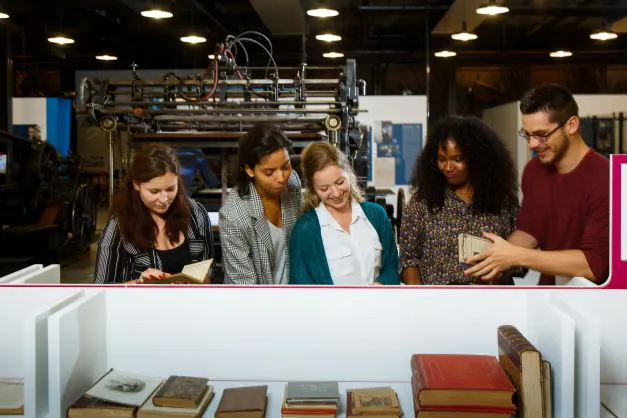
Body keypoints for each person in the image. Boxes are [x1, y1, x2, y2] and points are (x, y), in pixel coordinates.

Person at [464, 83, 610, 285]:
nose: (532, 144)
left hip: (590, 304)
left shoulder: (606, 178)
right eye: (527, 134)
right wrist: (496, 256)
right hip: (548, 293)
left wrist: (516, 256)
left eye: (542, 135)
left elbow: (594, 266)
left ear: (572, 125)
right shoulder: (534, 170)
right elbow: (530, 230)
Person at [399, 115, 519, 285]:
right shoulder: (422, 202)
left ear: (476, 159)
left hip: (491, 301)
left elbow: (520, 254)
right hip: (438, 303)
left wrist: (500, 269)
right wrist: (420, 301)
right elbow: (409, 260)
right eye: (442, 159)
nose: (448, 167)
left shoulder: (503, 201)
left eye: (457, 159)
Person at [94, 143, 214, 284]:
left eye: (170, 189)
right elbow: (102, 288)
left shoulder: (197, 214)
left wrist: (193, 282)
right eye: (154, 191)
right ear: (136, 185)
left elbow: (210, 273)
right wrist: (140, 283)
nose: (164, 199)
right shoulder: (119, 226)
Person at [290, 142, 400, 285]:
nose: (336, 193)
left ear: (348, 172)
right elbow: (299, 286)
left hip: (377, 306)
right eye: (324, 189)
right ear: (313, 189)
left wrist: (381, 284)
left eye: (340, 182)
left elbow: (392, 266)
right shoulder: (305, 229)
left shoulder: (376, 215)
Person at [218, 124, 302, 284]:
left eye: (285, 166)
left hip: (293, 296)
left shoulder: (292, 181)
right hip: (256, 302)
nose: (281, 177)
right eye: (269, 172)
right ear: (250, 170)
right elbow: (244, 284)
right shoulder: (233, 216)